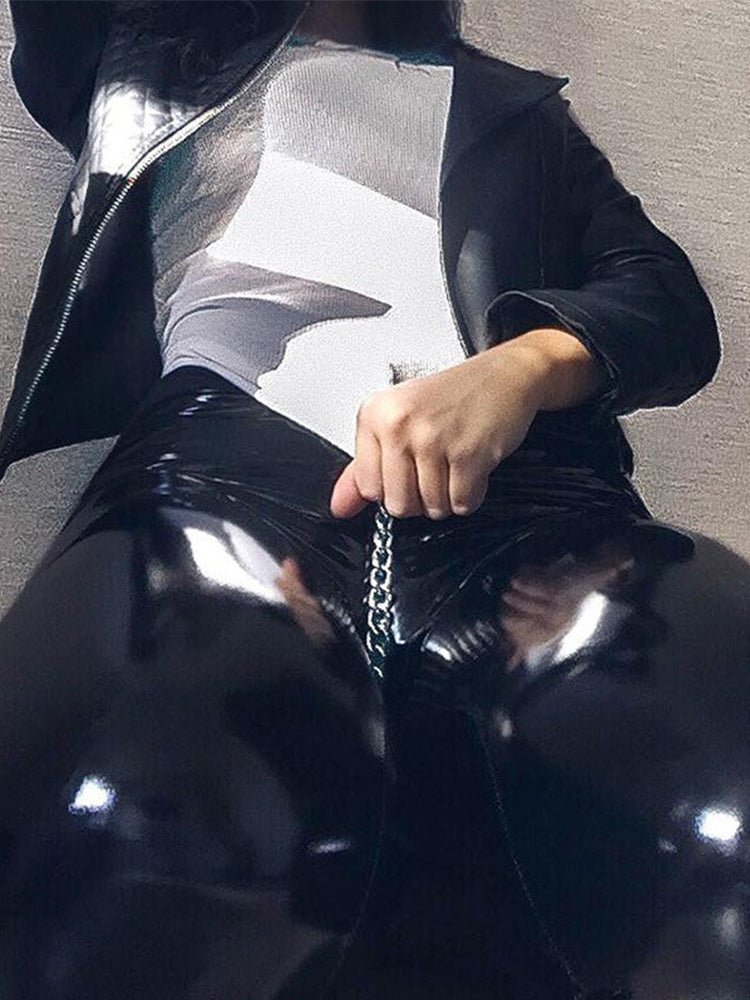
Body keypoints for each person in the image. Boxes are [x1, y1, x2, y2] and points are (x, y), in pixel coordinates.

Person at [0, 2, 748, 998]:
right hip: (218, 488)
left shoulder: (520, 114)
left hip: (544, 515)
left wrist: (525, 365)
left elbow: (667, 303)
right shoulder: (144, 53)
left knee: (724, 807)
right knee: (140, 818)